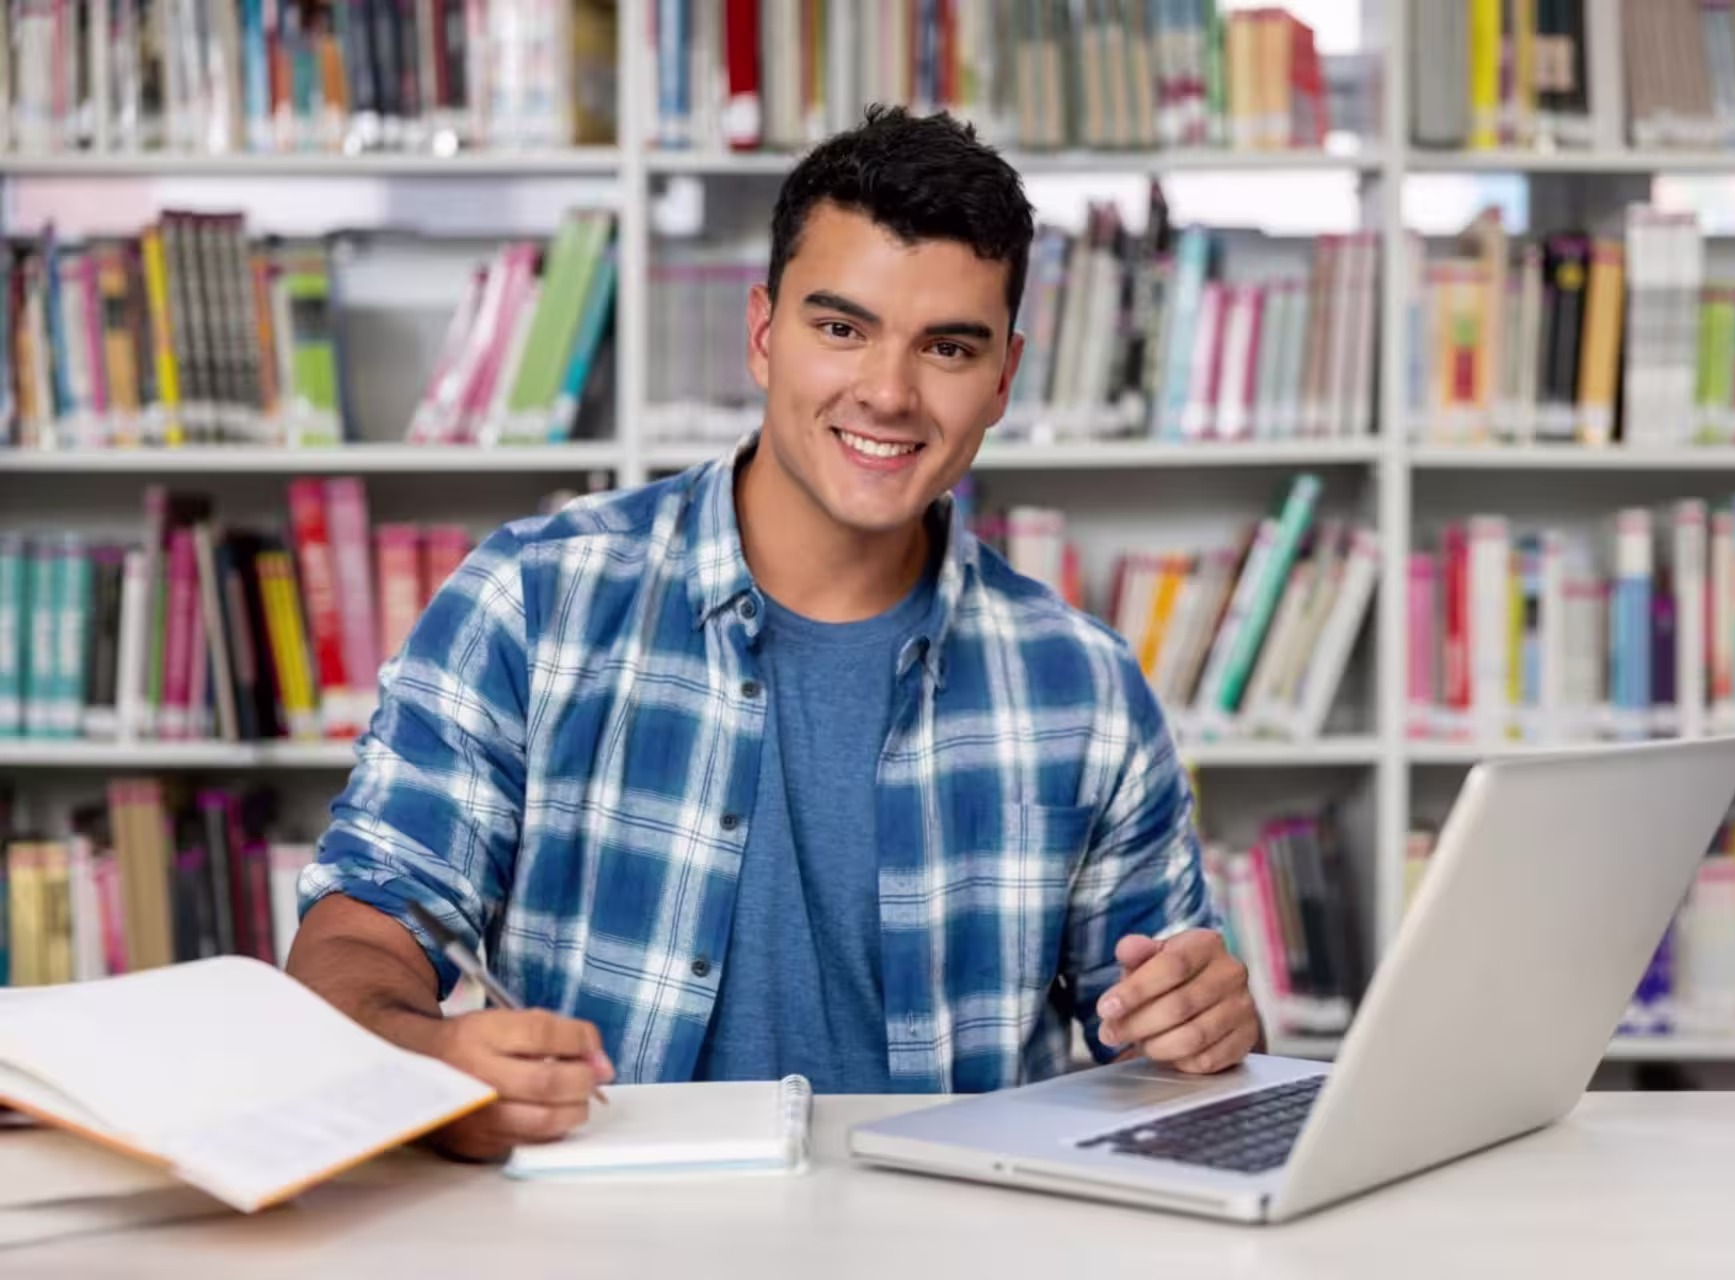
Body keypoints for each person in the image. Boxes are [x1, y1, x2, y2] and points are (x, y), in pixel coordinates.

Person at [288, 105, 1258, 1162]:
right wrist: (431, 1060)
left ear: (1004, 379)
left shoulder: (1086, 688)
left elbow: (1163, 1057)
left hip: (957, 1244)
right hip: (600, 1241)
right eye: (841, 328)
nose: (887, 393)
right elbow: (356, 935)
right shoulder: (532, 600)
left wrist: (1201, 1027)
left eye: (947, 346)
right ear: (762, 334)